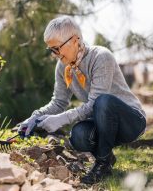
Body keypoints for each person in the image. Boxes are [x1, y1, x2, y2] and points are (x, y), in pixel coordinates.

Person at [18, 16, 146, 184]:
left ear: (75, 40)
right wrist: (34, 118)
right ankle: (106, 157)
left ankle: (102, 164)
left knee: (103, 102)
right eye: (51, 50)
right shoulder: (63, 67)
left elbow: (95, 104)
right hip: (103, 122)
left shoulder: (101, 57)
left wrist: (60, 119)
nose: (55, 55)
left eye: (57, 48)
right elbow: (58, 102)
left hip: (131, 122)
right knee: (77, 135)